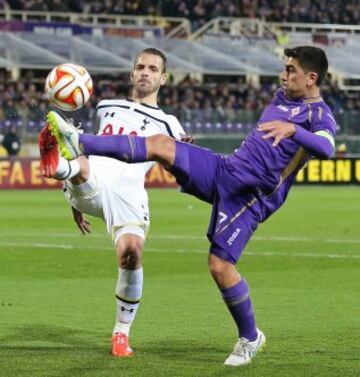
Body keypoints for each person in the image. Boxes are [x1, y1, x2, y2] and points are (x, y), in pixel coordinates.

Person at [46, 46, 336, 366]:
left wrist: (294, 130)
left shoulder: (318, 114)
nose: (283, 75)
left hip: (251, 196)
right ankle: (77, 141)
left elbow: (326, 147)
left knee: (219, 267)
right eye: (285, 68)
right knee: (161, 146)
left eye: (291, 70)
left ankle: (250, 337)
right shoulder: (284, 97)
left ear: (311, 78)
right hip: (225, 169)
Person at [39, 48, 187, 357]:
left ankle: (121, 334)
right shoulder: (106, 106)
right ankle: (60, 167)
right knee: (80, 158)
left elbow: (183, 158)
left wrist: (188, 152)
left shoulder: (170, 123)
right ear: (132, 74)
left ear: (163, 78)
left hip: (129, 193)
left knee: (131, 255)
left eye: (152, 68)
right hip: (94, 177)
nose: (145, 72)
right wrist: (76, 204)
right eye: (140, 67)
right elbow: (94, 149)